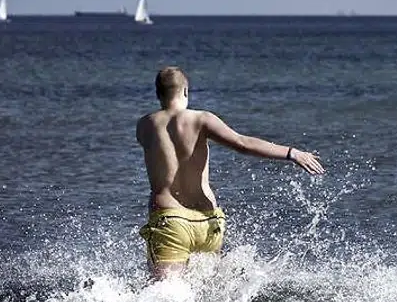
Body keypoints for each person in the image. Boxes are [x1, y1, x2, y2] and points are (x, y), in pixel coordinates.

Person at [136, 67, 323, 280]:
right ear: (186, 91)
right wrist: (292, 153)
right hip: (209, 223)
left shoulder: (145, 124)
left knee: (164, 297)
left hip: (170, 221)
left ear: (158, 94)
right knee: (208, 294)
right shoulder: (202, 119)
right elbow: (242, 143)